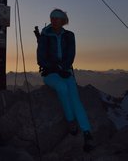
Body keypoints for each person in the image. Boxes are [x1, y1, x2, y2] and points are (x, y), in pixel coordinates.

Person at [36, 8, 94, 152]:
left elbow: (71, 55)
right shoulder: (45, 35)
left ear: (63, 21)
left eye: (57, 18)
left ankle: (87, 132)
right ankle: (70, 121)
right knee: (62, 87)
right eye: (52, 17)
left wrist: (63, 68)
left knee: (74, 97)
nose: (54, 20)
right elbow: (41, 58)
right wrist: (56, 68)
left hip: (65, 71)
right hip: (50, 73)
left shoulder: (69, 35)